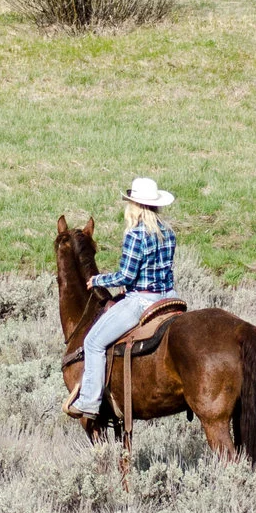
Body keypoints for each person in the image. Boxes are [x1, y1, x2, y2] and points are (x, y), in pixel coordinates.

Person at [70, 177, 180, 417]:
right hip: (169, 297)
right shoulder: (168, 232)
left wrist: (97, 280)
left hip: (142, 302)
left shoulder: (136, 234)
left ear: (136, 206)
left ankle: (88, 401)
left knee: (93, 342)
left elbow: (127, 276)